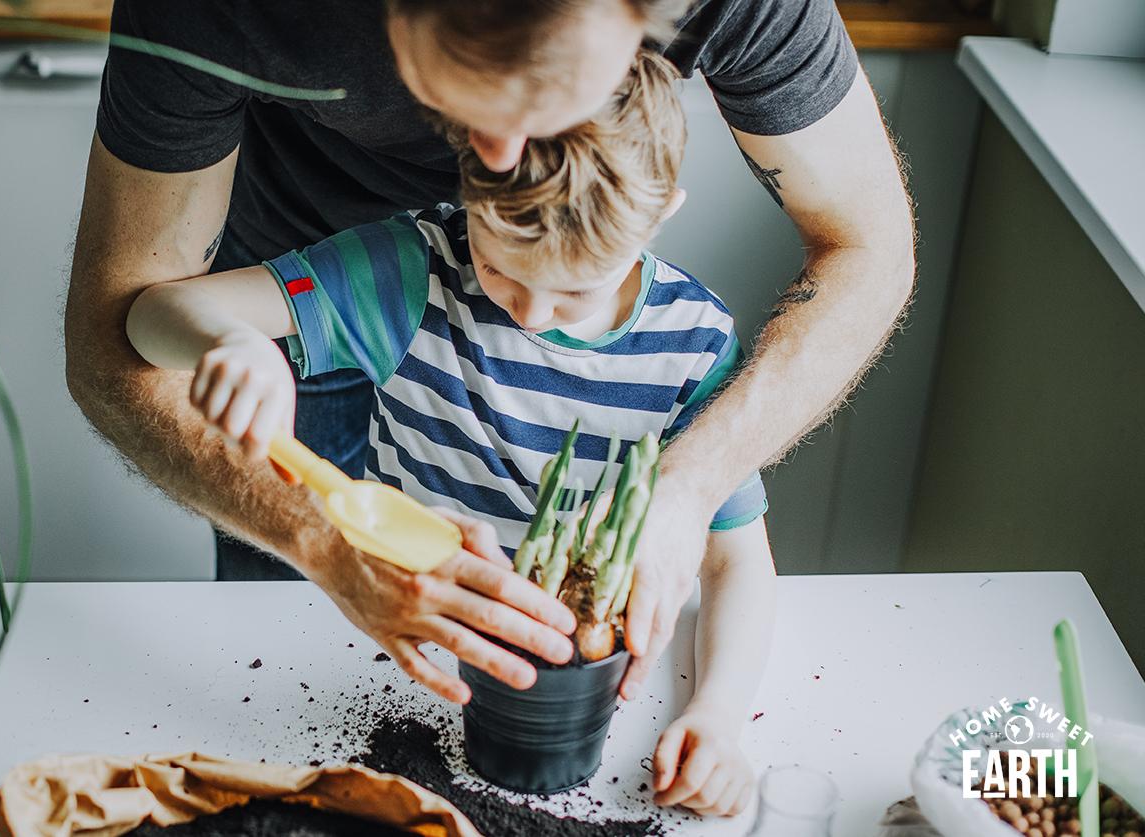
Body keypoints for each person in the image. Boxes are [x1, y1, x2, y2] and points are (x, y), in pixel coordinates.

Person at [65, 0, 910, 714]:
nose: (495, 160)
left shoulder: (683, 344)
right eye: (468, 101)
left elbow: (869, 249)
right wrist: (312, 527)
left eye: (550, 98)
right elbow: (121, 328)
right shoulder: (393, 251)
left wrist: (690, 485)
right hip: (304, 304)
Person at [126, 52, 774, 816]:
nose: (529, 315)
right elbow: (149, 316)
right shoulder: (412, 272)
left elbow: (739, 566)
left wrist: (719, 714)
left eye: (573, 289)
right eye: (502, 268)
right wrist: (230, 341)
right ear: (469, 183)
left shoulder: (694, 347)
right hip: (393, 664)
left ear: (663, 209)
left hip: (602, 716)